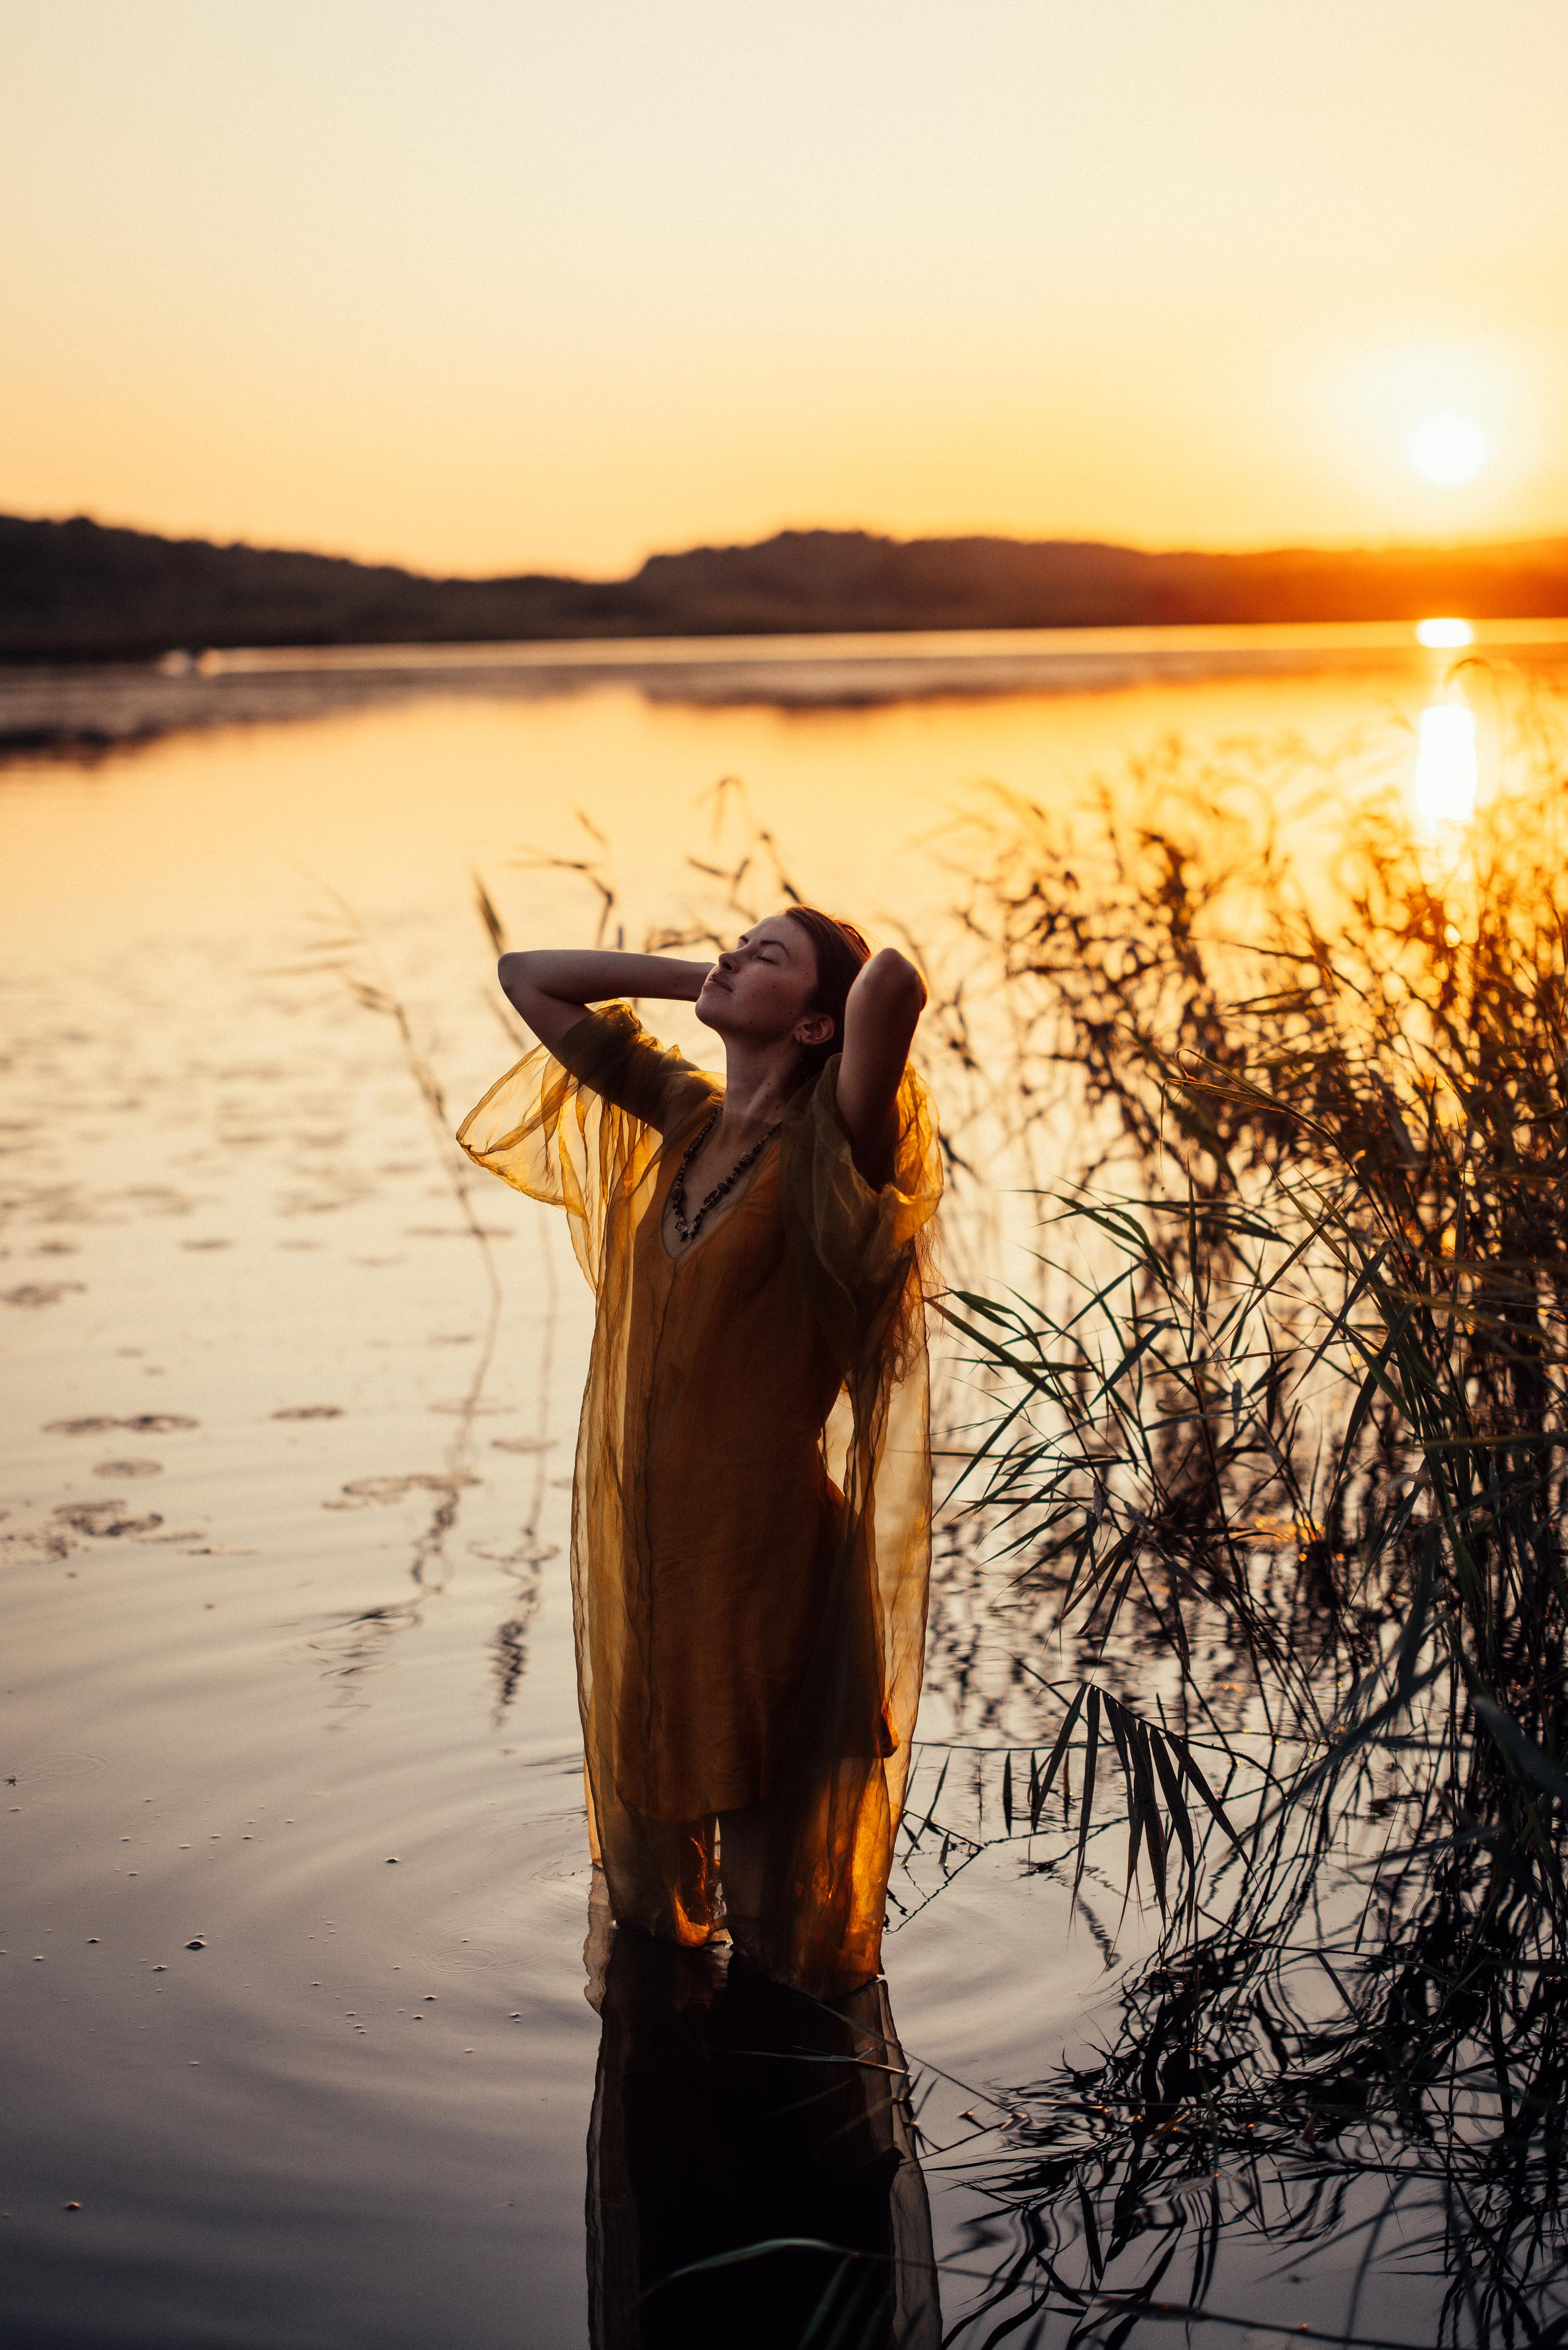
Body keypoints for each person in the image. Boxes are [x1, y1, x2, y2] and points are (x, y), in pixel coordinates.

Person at [456, 907, 943, 1998]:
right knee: (660, 1924)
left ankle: (789, 2132)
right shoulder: (684, 1114)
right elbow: (527, 971)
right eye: (739, 942)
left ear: (819, 1024)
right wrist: (714, 981)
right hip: (666, 1571)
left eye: (765, 953)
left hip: (771, 1570)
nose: (733, 954)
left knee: (779, 1945)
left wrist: (821, 1010)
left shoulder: (838, 1149)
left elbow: (895, 983)